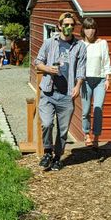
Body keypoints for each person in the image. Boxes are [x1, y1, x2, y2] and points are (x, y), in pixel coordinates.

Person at [34, 12, 87, 170]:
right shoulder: (50, 43)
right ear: (59, 26)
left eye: (72, 25)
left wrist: (77, 86)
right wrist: (48, 69)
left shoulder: (80, 46)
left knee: (63, 130)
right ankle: (47, 152)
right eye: (66, 25)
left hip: (66, 95)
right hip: (49, 92)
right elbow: (38, 62)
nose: (69, 27)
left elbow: (81, 71)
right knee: (47, 124)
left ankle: (57, 157)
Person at [80, 17, 111, 147]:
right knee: (86, 109)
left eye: (93, 28)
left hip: (100, 80)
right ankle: (86, 134)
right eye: (88, 28)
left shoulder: (102, 43)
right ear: (83, 29)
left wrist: (108, 79)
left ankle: (96, 137)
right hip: (85, 80)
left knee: (98, 108)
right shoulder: (80, 45)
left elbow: (106, 61)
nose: (91, 31)